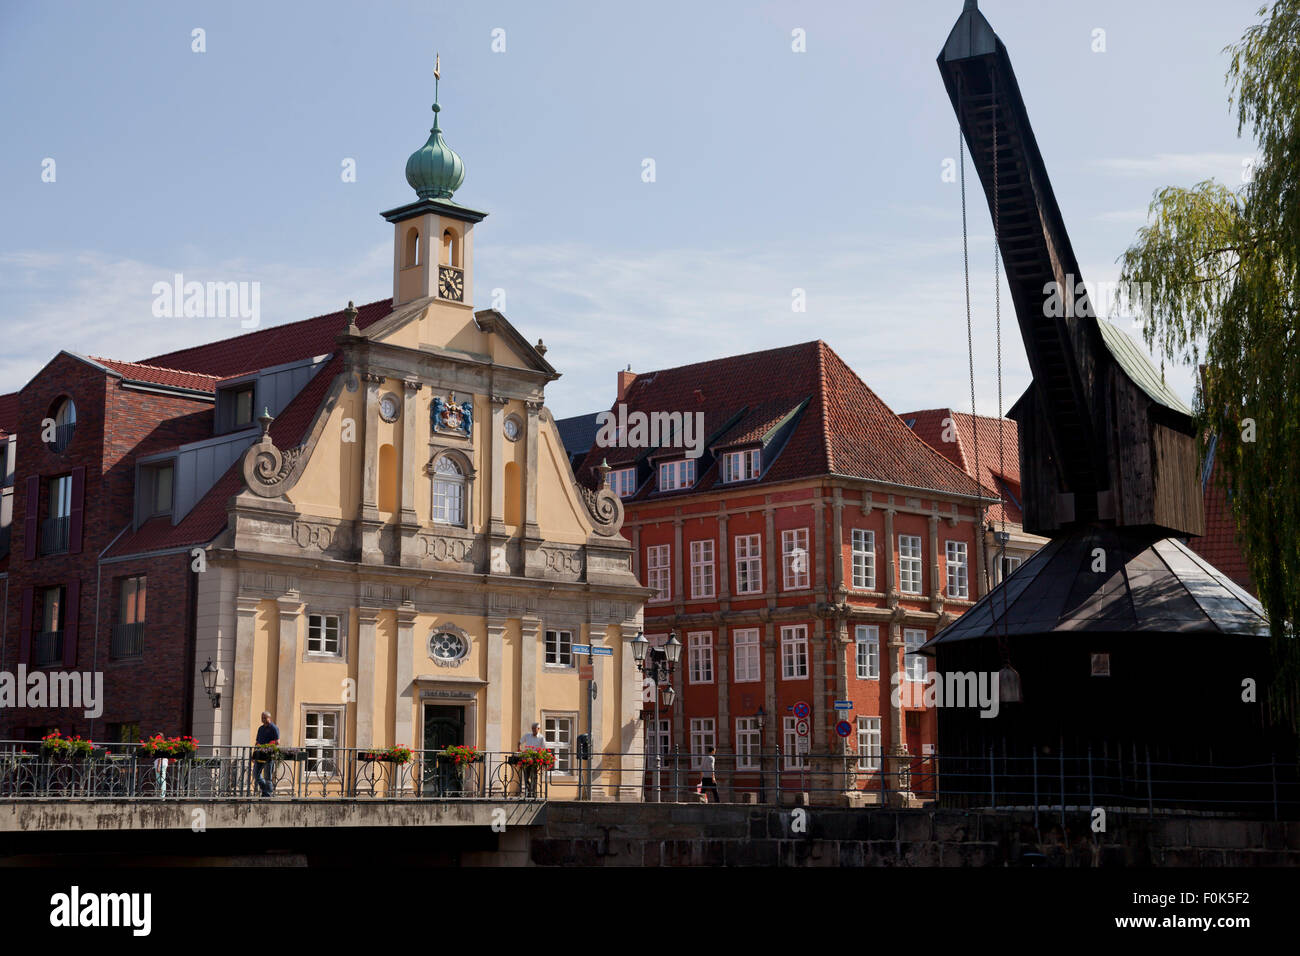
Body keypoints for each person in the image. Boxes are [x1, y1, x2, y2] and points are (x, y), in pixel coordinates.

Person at [252, 711, 279, 797]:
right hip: (259, 755)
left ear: (269, 718)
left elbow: (277, 742)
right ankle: (265, 790)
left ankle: (267, 794)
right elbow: (257, 742)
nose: (262, 719)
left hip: (269, 755)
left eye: (264, 718)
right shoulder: (260, 728)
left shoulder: (274, 728)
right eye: (262, 717)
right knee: (256, 774)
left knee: (268, 777)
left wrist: (267, 747)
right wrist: (254, 754)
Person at [519, 722, 545, 797]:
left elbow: (543, 749)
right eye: (532, 728)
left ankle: (533, 793)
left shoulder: (541, 738)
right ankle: (529, 791)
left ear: (538, 729)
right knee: (526, 776)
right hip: (527, 759)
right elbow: (520, 742)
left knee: (534, 777)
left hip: (535, 760)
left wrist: (539, 756)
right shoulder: (527, 735)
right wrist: (519, 749)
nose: (533, 730)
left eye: (535, 729)